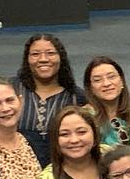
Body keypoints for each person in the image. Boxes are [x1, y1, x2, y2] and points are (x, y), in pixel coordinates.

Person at [15, 33, 85, 167]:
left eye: (50, 53)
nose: (43, 59)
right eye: (35, 54)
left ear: (61, 58)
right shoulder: (12, 91)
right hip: (18, 169)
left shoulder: (77, 97)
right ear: (27, 59)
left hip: (63, 170)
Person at [84, 57, 130, 149]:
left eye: (111, 77)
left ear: (122, 81)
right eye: (97, 80)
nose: (106, 83)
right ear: (91, 88)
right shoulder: (84, 117)